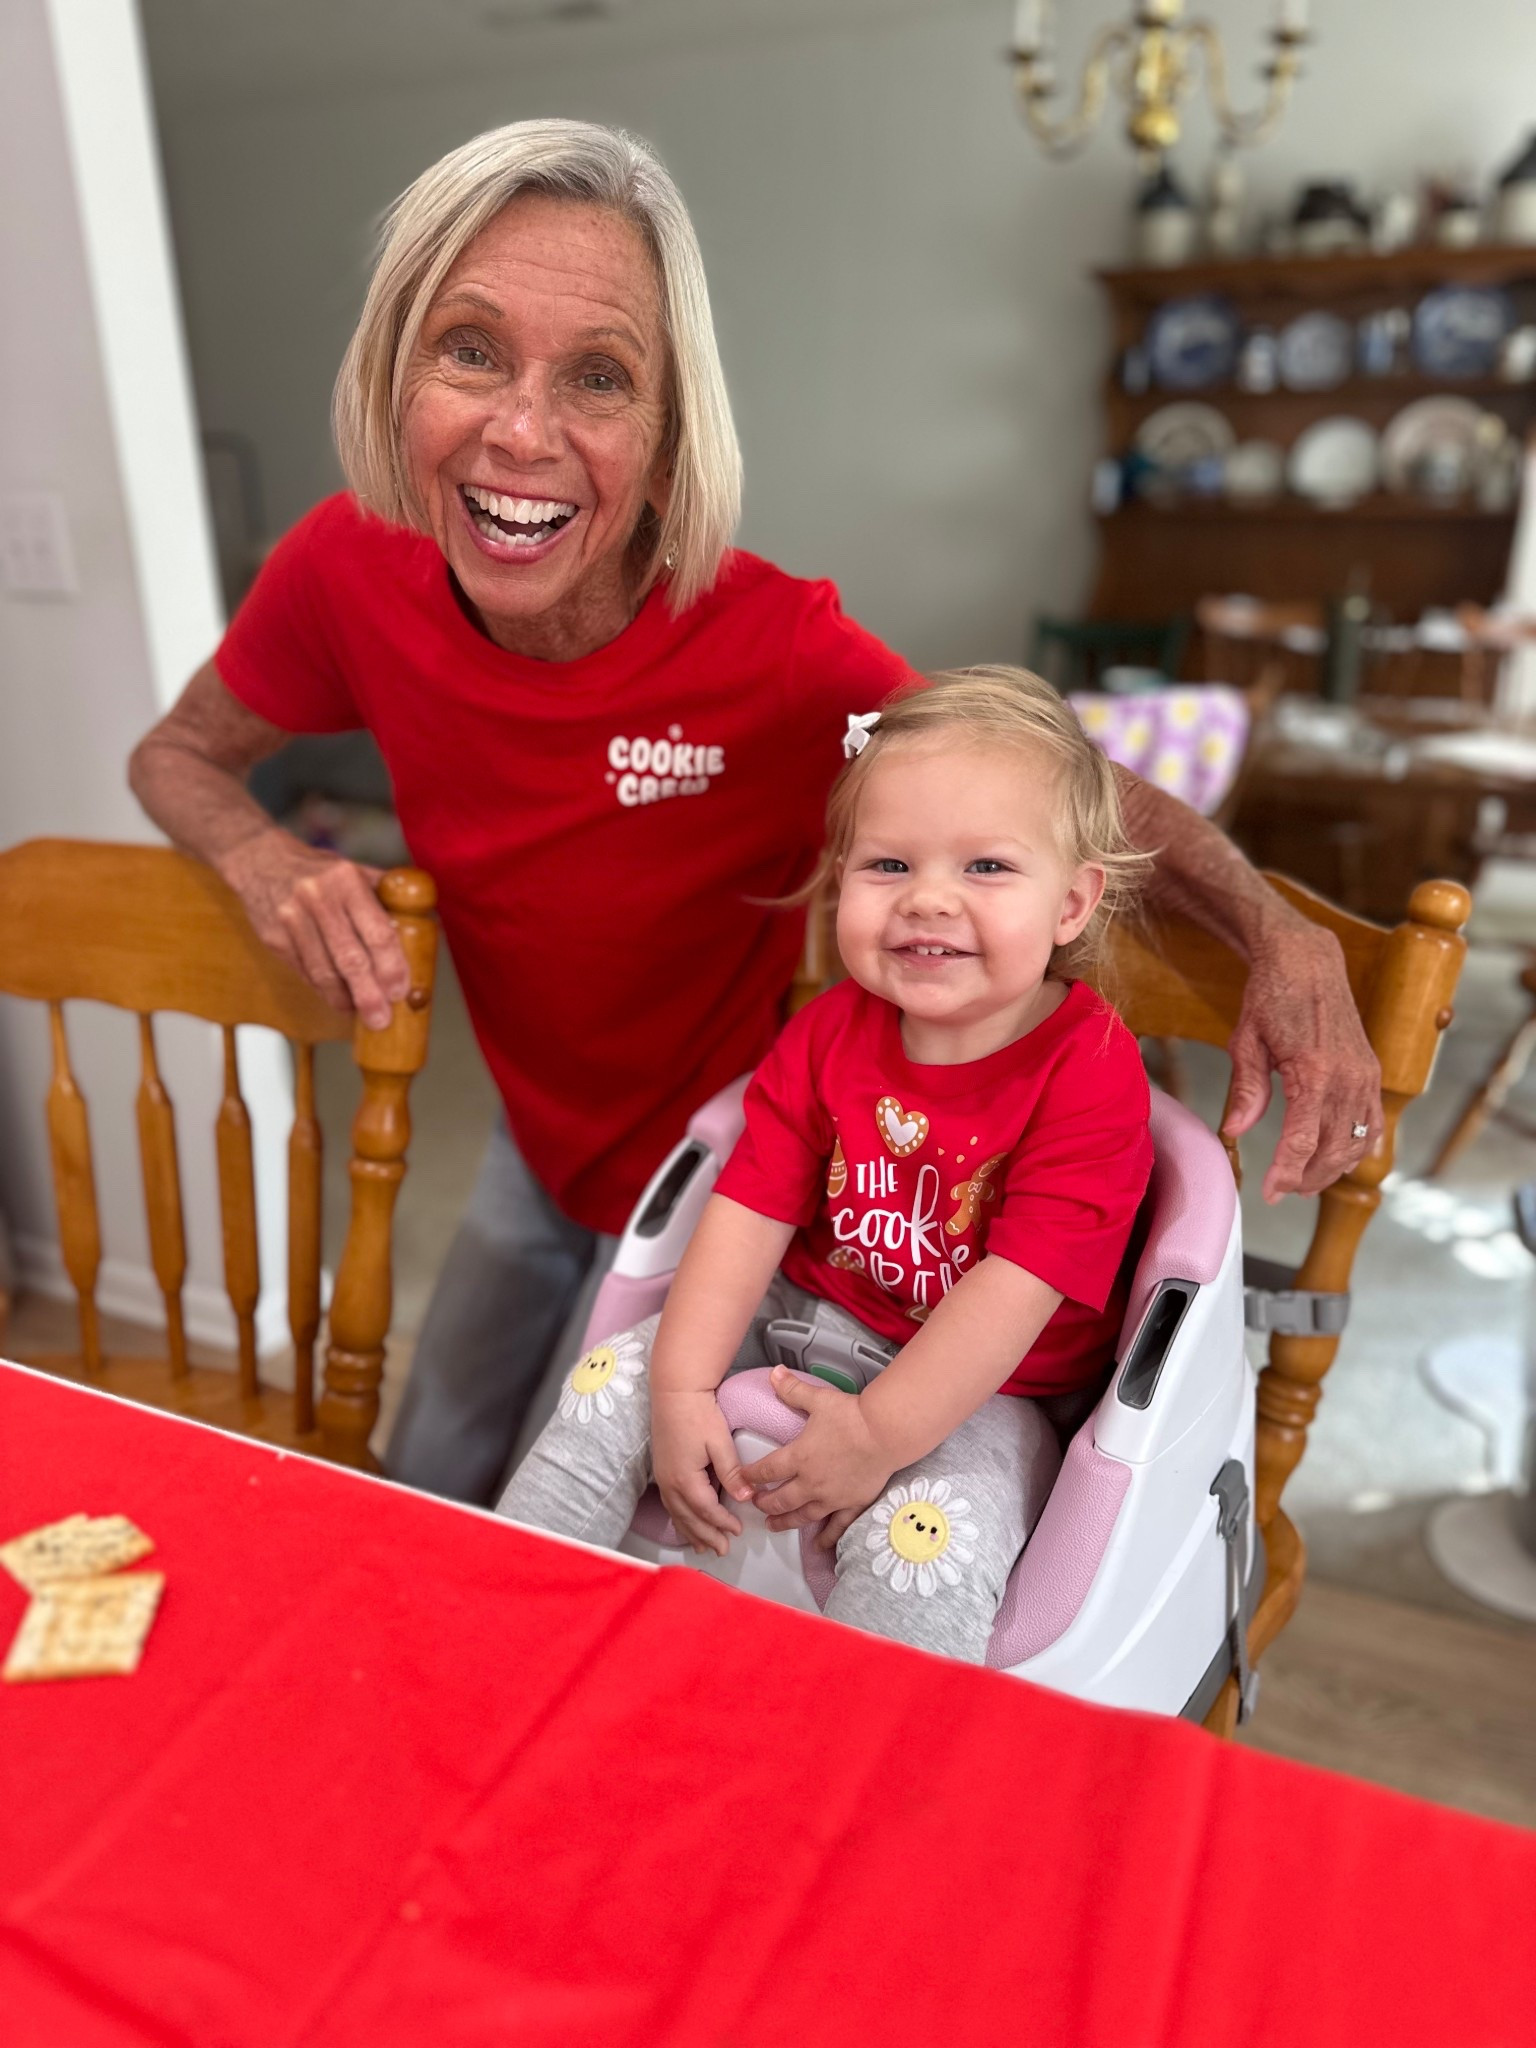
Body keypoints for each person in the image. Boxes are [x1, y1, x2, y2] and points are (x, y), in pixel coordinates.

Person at [128, 119, 1381, 1508]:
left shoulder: (775, 649)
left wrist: (1278, 930)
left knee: (594, 1525)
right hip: (528, 1150)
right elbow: (177, 755)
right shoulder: (342, 569)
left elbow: (1054, 787)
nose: (521, 430)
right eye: (469, 348)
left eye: (598, 378)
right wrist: (258, 854)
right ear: (395, 371)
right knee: (424, 1487)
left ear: (668, 440)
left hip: (738, 1186)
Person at [500, 670, 1153, 1662]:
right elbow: (746, 1211)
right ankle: (504, 1617)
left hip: (992, 1391)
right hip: (801, 1321)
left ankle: (853, 1768)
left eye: (986, 866)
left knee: (924, 1548)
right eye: (889, 864)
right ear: (839, 876)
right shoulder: (827, 1033)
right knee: (603, 1393)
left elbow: (1014, 1293)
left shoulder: (1091, 1071)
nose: (928, 899)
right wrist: (679, 1391)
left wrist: (883, 1435)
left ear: (1071, 902)